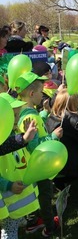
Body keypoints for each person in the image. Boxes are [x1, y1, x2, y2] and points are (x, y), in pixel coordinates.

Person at [15, 71, 63, 237]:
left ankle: (33, 222)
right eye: (41, 91)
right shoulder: (30, 117)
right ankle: (50, 227)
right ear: (32, 93)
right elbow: (33, 146)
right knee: (44, 195)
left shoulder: (26, 112)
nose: (43, 94)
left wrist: (43, 113)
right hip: (38, 164)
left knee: (35, 194)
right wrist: (53, 137)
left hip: (32, 164)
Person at [0, 93, 39, 239]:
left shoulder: (12, 133)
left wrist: (29, 137)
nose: (17, 119)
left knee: (13, 223)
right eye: (14, 116)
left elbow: (27, 150)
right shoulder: (2, 138)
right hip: (8, 200)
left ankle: (19, 221)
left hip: (18, 197)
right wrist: (8, 185)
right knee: (9, 231)